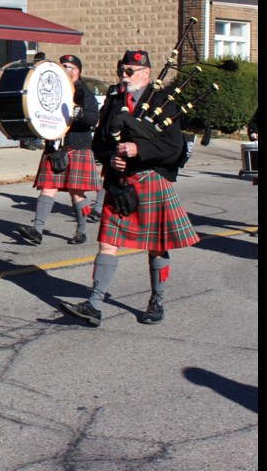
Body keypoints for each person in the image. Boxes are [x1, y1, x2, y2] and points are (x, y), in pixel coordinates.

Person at [60, 50, 200, 327]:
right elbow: (99, 141)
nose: (123, 76)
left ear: (146, 73)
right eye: (121, 70)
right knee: (107, 243)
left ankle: (157, 300)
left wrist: (140, 149)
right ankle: (95, 304)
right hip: (119, 181)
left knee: (156, 246)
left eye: (130, 71)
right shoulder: (113, 100)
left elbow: (174, 147)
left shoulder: (163, 101)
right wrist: (109, 157)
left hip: (150, 179)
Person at [16, 54, 100, 246]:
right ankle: (36, 231)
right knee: (48, 188)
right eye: (62, 66)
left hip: (77, 146)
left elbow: (92, 119)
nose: (63, 69)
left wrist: (79, 113)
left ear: (76, 71)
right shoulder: (54, 89)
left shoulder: (84, 94)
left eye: (67, 66)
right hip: (55, 146)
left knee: (76, 193)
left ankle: (82, 230)